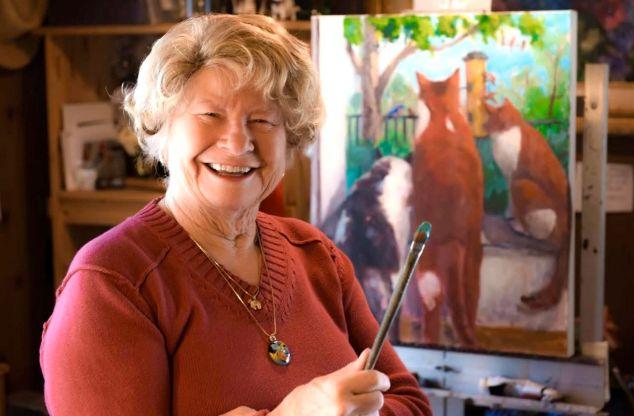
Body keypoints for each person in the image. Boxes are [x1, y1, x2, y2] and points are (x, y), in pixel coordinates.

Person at [40, 14, 432, 416]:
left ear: (290, 140)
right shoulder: (112, 283)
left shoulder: (318, 257)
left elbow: (411, 404)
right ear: (163, 127)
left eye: (262, 120)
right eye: (210, 115)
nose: (239, 142)